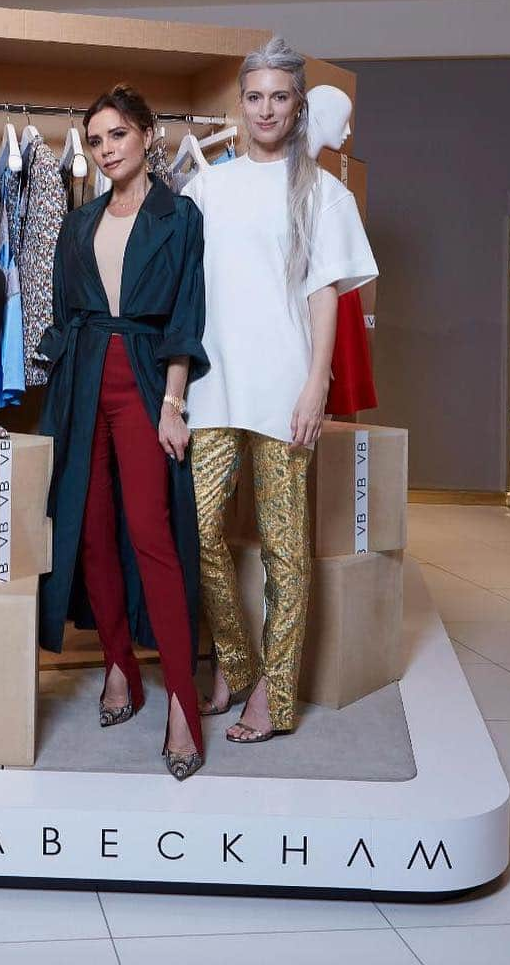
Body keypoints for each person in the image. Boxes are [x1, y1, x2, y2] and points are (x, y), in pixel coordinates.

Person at [182, 38, 377, 744]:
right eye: (255, 96)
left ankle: (275, 690)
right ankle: (235, 661)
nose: (266, 109)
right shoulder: (207, 186)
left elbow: (325, 297)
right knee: (196, 528)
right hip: (213, 386)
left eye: (280, 96)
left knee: (284, 549)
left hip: (286, 388)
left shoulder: (322, 192)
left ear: (298, 107)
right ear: (243, 105)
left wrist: (316, 385)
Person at [36, 84, 208, 780]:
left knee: (152, 535)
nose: (106, 151)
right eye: (96, 140)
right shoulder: (80, 224)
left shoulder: (180, 215)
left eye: (117, 136)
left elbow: (186, 313)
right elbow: (62, 309)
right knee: (88, 531)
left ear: (147, 135)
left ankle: (182, 704)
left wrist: (173, 401)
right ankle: (116, 668)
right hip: (81, 382)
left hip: (140, 379)